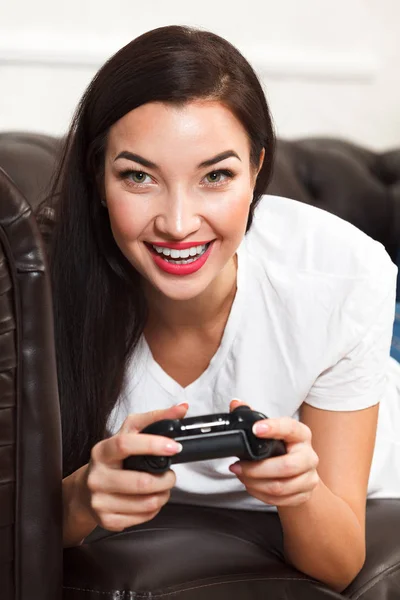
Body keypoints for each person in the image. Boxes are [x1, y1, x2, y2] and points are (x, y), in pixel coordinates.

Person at [43, 25, 400, 593]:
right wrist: (82, 495)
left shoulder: (342, 275)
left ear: (257, 170)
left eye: (217, 176)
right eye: (139, 176)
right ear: (97, 175)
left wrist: (301, 490)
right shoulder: (39, 286)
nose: (179, 223)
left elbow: (339, 563)